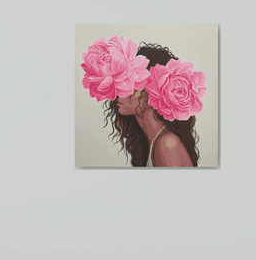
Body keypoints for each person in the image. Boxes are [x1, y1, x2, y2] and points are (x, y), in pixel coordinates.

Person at [81, 37, 206, 167]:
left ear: (152, 92)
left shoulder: (167, 144)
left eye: (131, 85)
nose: (120, 93)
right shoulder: (153, 142)